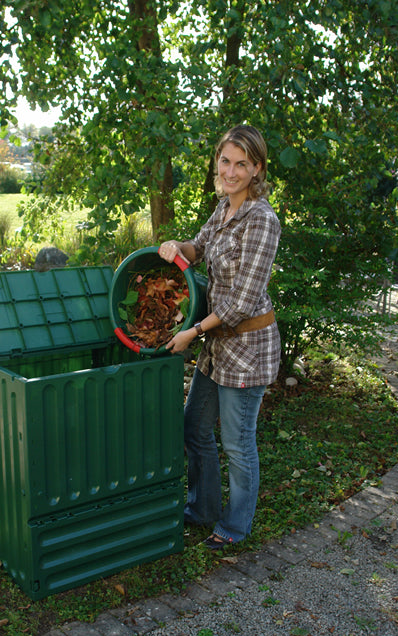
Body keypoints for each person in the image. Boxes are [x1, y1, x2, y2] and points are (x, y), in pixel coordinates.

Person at [158, 124, 281, 551]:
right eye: (225, 161)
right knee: (194, 426)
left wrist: (192, 331)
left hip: (247, 349)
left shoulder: (262, 220)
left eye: (241, 164)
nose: (230, 171)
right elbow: (200, 247)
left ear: (256, 169)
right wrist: (177, 247)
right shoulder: (224, 208)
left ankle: (235, 525)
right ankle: (202, 507)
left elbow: (243, 301)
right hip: (218, 346)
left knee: (238, 442)